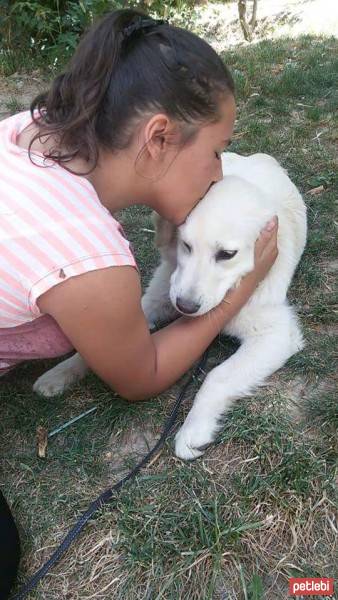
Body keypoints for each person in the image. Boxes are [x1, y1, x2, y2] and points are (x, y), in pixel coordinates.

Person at [0, 7, 278, 399]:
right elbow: (141, 376)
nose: (219, 175)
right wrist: (241, 289)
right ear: (158, 138)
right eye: (217, 152)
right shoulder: (85, 258)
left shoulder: (32, 129)